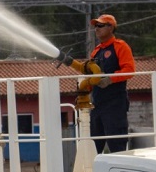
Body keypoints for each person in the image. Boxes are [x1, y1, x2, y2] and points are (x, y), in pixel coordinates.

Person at [56, 14, 136, 153]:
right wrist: (69, 62)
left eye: (100, 25)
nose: (96, 29)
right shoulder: (97, 51)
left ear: (111, 28)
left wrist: (110, 79)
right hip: (97, 104)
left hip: (115, 104)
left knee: (117, 144)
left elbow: (129, 70)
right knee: (93, 146)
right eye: (95, 26)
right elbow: (87, 71)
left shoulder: (120, 46)